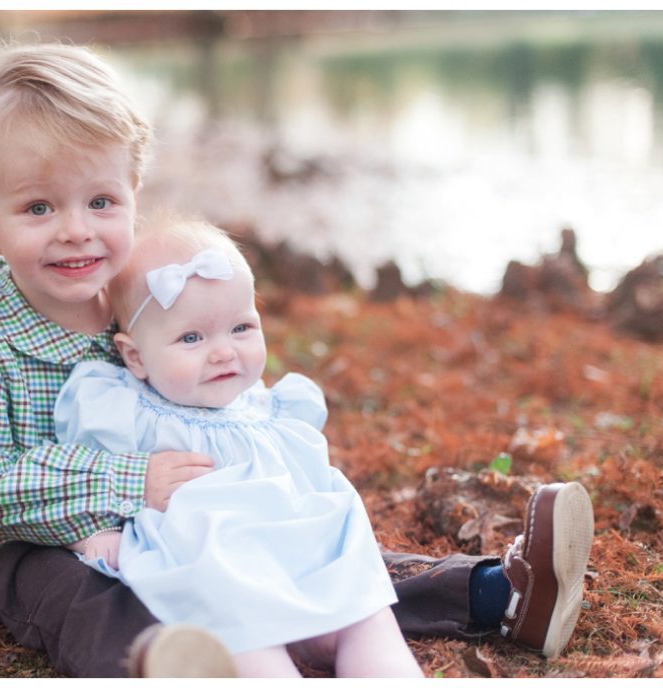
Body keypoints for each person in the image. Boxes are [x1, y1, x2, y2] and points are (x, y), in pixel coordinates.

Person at [0, 41, 595, 678]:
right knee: (87, 593)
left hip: (176, 518)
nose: (76, 229)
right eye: (38, 207)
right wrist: (127, 483)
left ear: (133, 192)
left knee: (302, 547)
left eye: (101, 201)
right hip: (19, 544)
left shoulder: (148, 301)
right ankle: (172, 665)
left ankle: (496, 593)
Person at [54, 215, 423, 677]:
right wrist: (92, 532)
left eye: (241, 328)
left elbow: (314, 485)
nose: (224, 351)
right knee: (244, 639)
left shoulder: (277, 409)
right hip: (217, 570)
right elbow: (86, 474)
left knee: (366, 620)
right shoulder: (124, 411)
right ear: (135, 357)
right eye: (191, 338)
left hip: (309, 554)